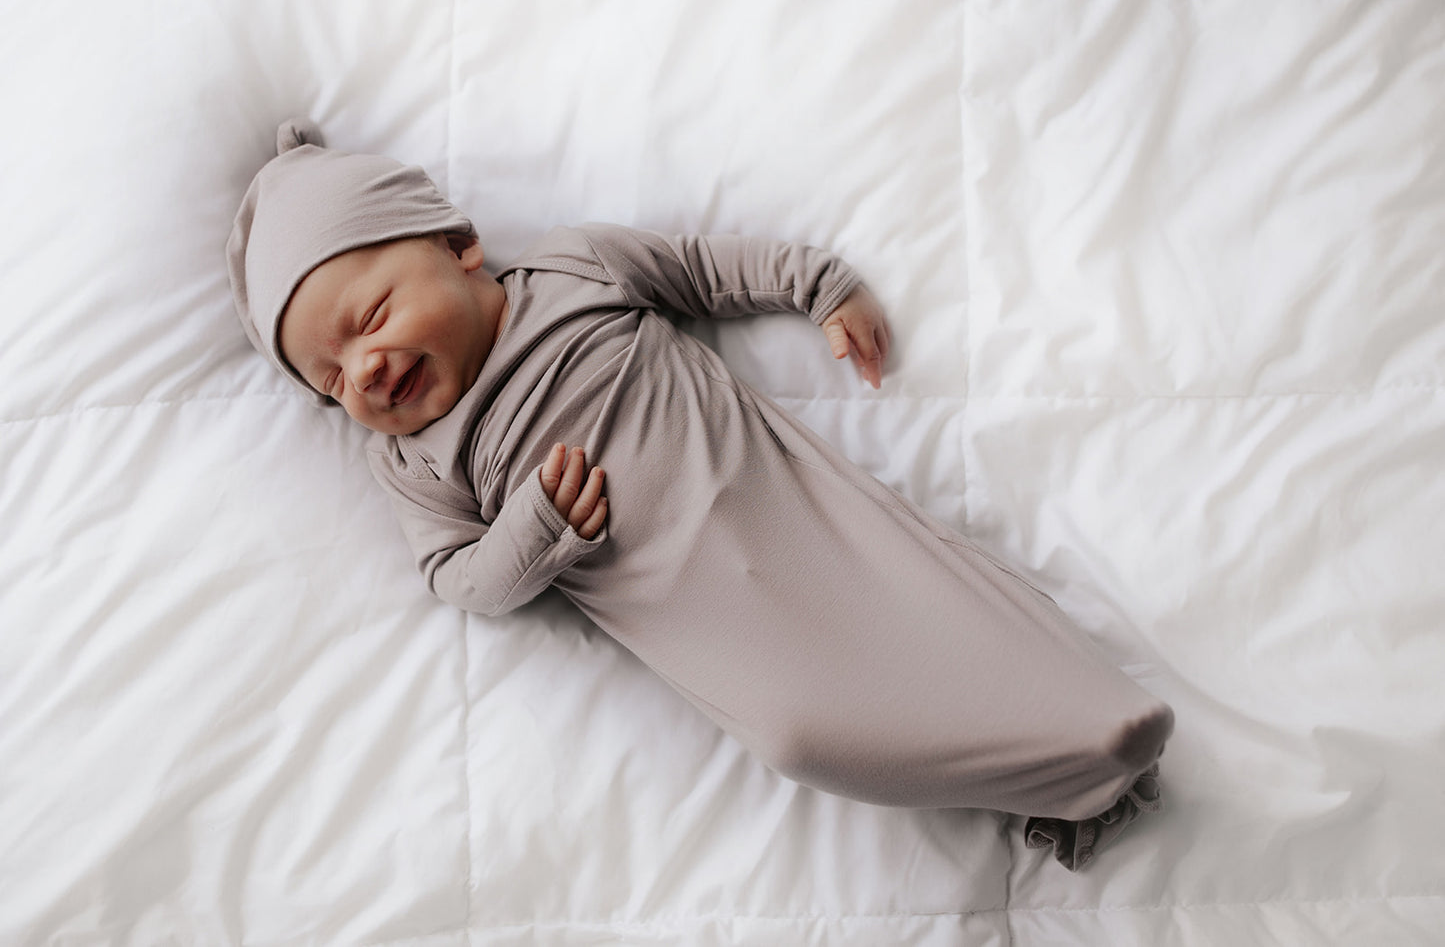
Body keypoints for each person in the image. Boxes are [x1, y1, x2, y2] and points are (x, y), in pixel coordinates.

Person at [228, 118, 1174, 870]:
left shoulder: (573, 267)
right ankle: (1062, 774)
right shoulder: (414, 462)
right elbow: (455, 578)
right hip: (698, 614)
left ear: (461, 245)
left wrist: (817, 286)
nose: (364, 371)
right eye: (327, 381)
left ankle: (1091, 719)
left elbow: (704, 270)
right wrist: (532, 533)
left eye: (369, 320)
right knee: (806, 738)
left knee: (927, 596)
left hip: (785, 508)